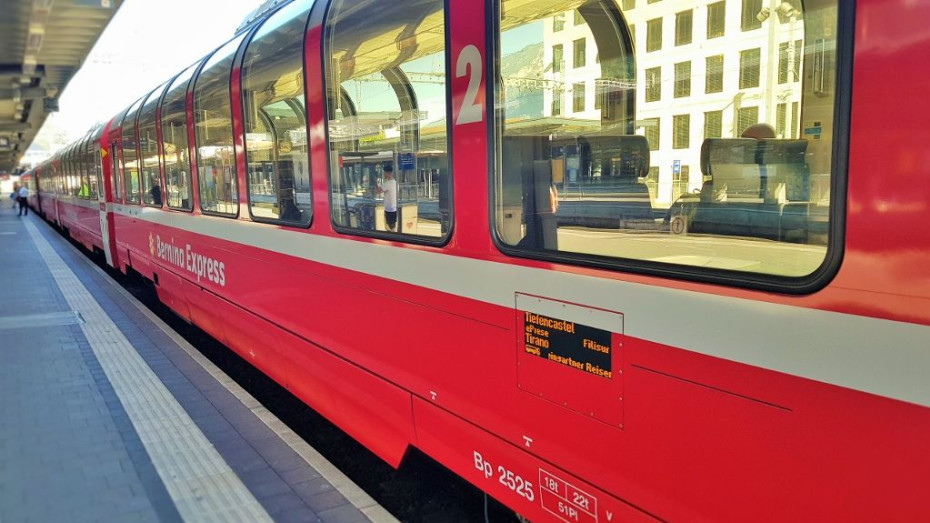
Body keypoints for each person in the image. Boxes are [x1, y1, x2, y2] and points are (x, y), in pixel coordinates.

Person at [375, 163, 398, 232]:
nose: (384, 175)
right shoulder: (395, 182)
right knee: (393, 225)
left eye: (384, 173)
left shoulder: (387, 184)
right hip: (394, 207)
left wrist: (375, 183)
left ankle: (392, 236)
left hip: (389, 208)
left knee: (390, 226)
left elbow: (378, 191)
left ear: (387, 173)